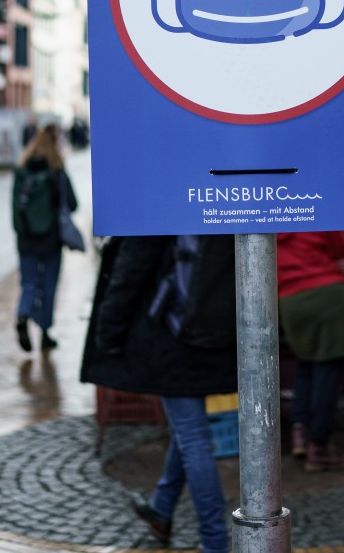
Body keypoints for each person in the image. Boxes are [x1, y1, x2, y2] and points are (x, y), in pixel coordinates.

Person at [81, 236, 236, 553]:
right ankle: (161, 508)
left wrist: (108, 335)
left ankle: (215, 542)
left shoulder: (158, 204)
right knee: (189, 428)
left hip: (172, 336)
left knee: (193, 436)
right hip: (217, 331)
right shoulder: (218, 198)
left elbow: (130, 272)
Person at [276, 231, 344, 472]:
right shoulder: (318, 213)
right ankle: (319, 447)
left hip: (289, 301)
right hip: (328, 296)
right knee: (329, 371)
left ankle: (301, 434)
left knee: (306, 365)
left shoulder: (267, 219)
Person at [12, 124, 78, 351]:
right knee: (48, 285)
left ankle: (23, 315)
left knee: (29, 283)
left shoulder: (22, 171)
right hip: (51, 241)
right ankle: (45, 332)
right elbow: (72, 203)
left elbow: (15, 209)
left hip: (25, 240)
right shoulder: (56, 171)